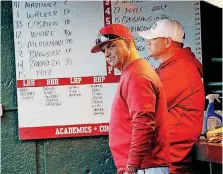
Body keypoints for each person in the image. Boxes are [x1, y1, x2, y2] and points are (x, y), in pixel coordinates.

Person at [91, 24, 170, 174]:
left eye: (111, 46)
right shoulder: (132, 72)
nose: (107, 54)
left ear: (128, 43)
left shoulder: (137, 75)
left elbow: (143, 123)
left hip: (145, 167)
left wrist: (132, 167)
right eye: (103, 51)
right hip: (142, 167)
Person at [139, 19, 205, 174]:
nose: (148, 42)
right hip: (159, 160)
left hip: (165, 162)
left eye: (153, 38)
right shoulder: (170, 68)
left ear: (168, 42)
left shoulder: (180, 69)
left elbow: (143, 107)